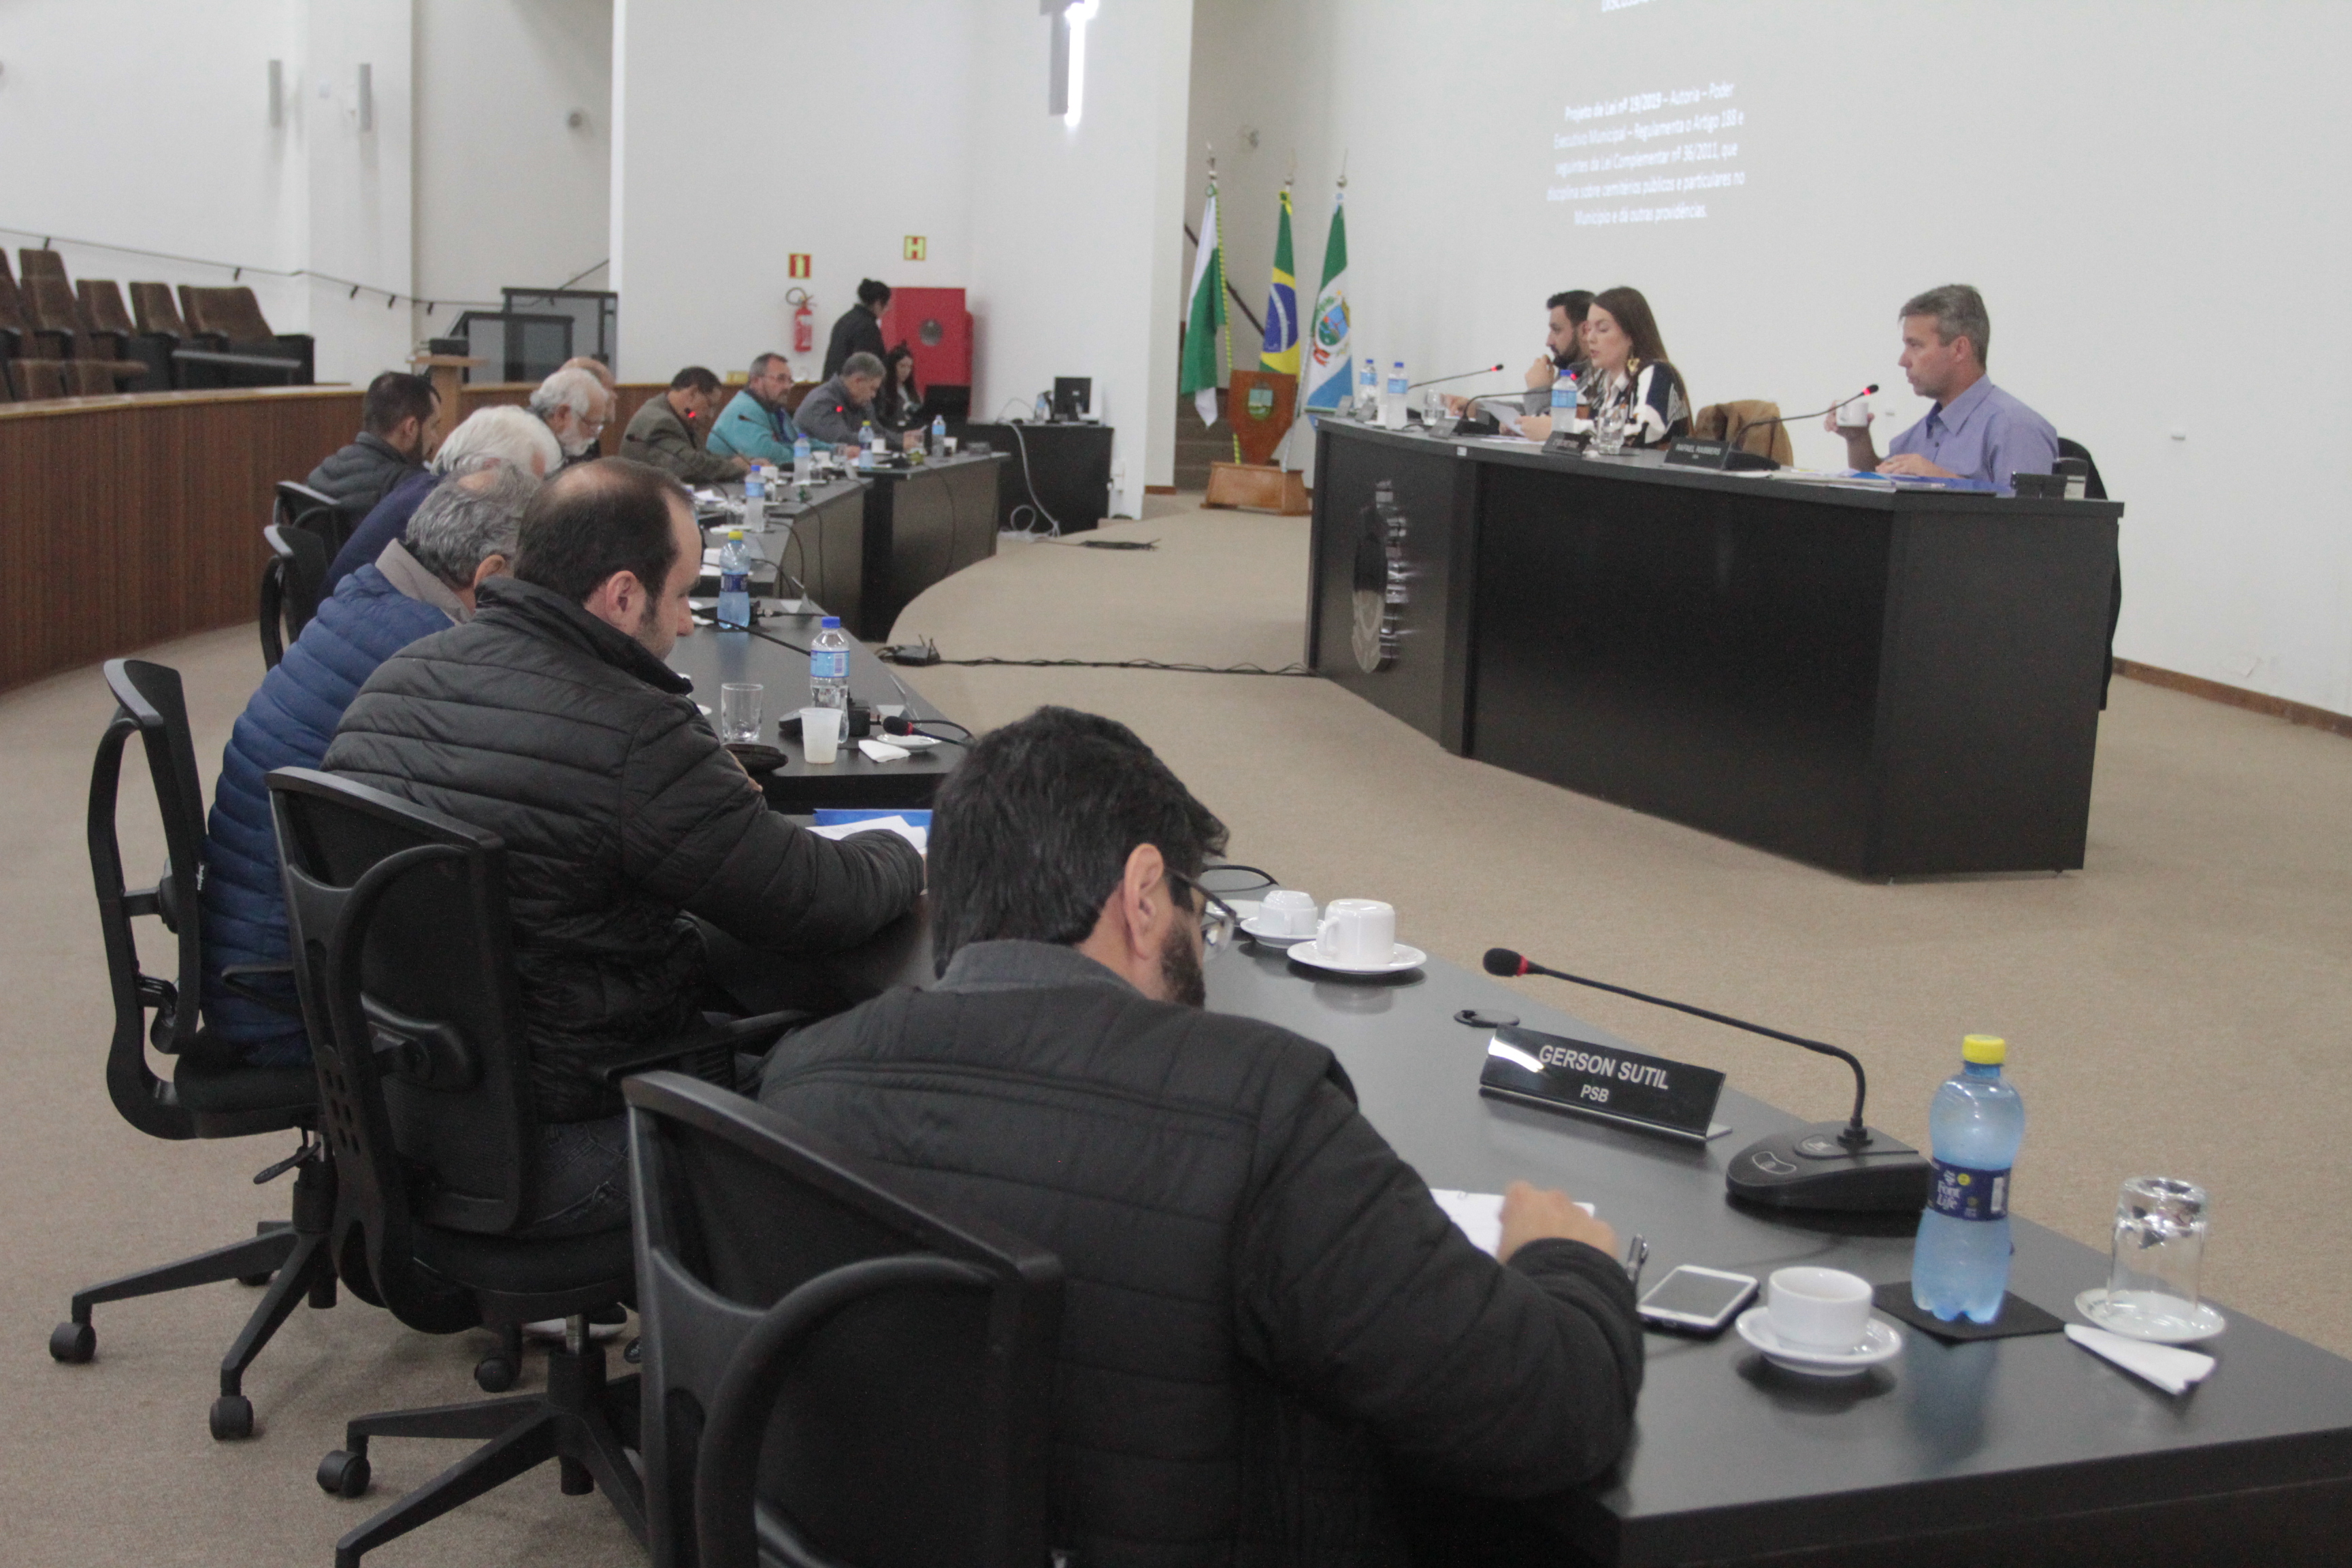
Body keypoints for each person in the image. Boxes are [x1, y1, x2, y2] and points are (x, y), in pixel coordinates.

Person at [758, 706, 1644, 1566]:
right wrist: (1568, 1259)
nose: (1200, 945)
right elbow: (1546, 1411)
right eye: (1199, 913)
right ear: (1144, 895)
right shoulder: (1254, 1109)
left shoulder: (800, 1084)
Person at [325, 459, 924, 1235]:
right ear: (622, 595)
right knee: (859, 1088)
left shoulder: (392, 683)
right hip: (570, 1136)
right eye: (680, 597)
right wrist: (905, 851)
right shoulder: (636, 732)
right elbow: (817, 899)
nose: (687, 625)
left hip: (406, 1117)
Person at [200, 468, 540, 1066]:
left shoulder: (370, 594)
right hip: (296, 1001)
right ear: (490, 576)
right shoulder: (432, 657)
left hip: (260, 957)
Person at [1827, 284, 2058, 493]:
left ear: (1959, 349)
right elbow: (1881, 491)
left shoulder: (2015, 427)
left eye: (1915, 346)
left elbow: (2026, 518)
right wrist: (1857, 440)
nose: (1903, 361)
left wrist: (1941, 481)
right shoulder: (1917, 436)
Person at [325, 404, 563, 593]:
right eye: (528, 485)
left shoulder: (424, 489)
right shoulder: (444, 513)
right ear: (491, 469)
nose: (531, 500)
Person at [1521, 285, 1688, 448]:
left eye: (1602, 329)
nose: (1590, 338)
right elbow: (1584, 431)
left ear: (1631, 335)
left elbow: (1640, 433)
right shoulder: (1605, 383)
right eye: (1589, 329)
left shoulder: (1657, 373)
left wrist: (1563, 428)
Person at [304, 371, 440, 518]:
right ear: (411, 428)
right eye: (433, 426)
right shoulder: (410, 488)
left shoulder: (321, 473)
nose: (436, 439)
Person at [621, 365, 748, 482]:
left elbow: (702, 457)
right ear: (693, 393)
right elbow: (687, 466)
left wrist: (738, 462)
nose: (710, 415)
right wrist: (736, 467)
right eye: (710, 405)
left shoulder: (682, 418)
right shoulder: (660, 422)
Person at [793, 351, 919, 451]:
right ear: (858, 381)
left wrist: (903, 438)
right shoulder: (822, 402)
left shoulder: (862, 401)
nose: (873, 395)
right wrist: (898, 443)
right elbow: (842, 440)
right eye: (872, 389)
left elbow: (877, 432)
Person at [705, 351, 805, 466]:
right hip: (726, 477)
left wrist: (821, 450)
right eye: (781, 379)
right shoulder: (742, 409)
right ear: (756, 381)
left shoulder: (773, 408)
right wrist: (807, 456)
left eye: (790, 381)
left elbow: (797, 440)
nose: (787, 387)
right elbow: (765, 453)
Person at [528, 364, 613, 470]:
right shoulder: (526, 448)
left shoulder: (572, 442)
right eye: (591, 426)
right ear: (562, 415)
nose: (594, 436)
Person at [821, 278, 890, 378]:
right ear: (878, 303)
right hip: (851, 385)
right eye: (887, 304)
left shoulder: (844, 320)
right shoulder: (868, 327)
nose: (887, 309)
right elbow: (866, 367)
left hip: (832, 383)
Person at [877, 344, 924, 431]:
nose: (906, 371)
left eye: (909, 367)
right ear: (893, 366)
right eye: (902, 366)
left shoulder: (913, 392)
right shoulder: (882, 391)